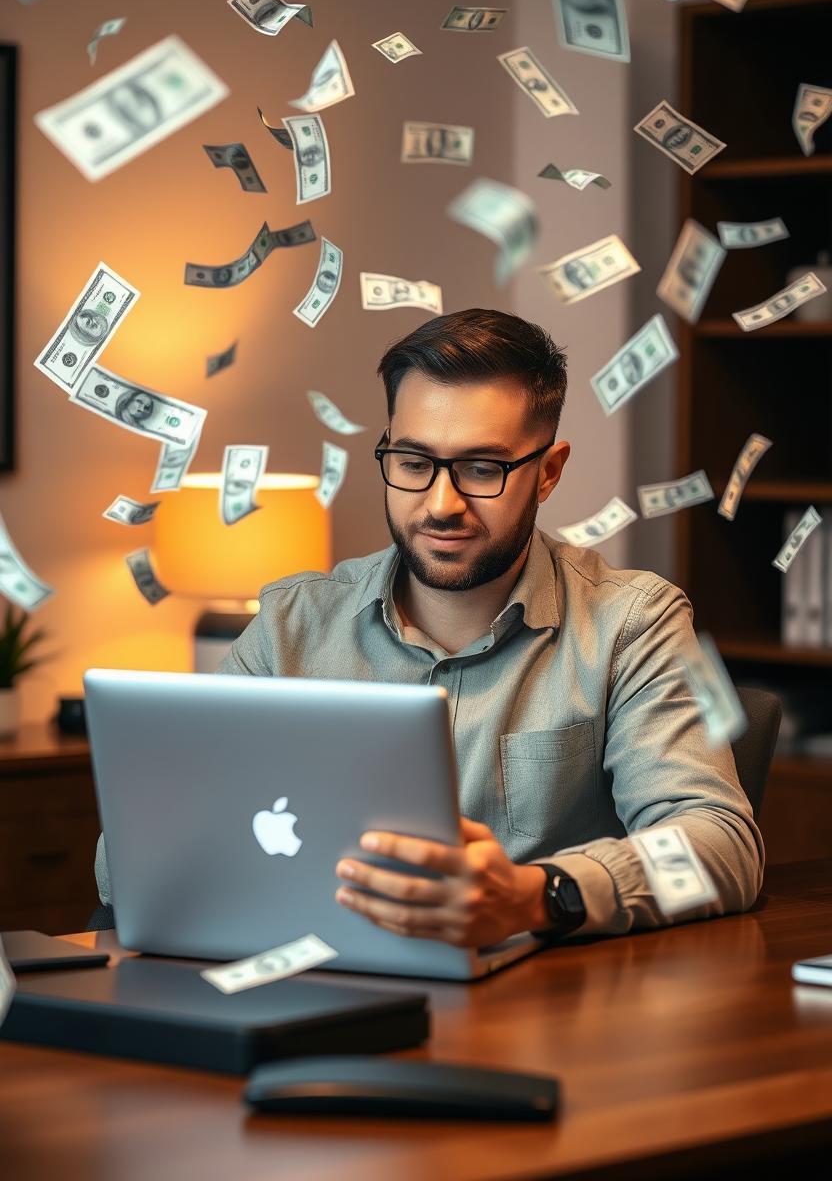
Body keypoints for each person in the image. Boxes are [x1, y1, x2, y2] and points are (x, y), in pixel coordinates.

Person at [93, 308, 763, 946]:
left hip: (544, 1012)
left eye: (482, 469)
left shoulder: (638, 622)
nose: (441, 504)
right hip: (312, 988)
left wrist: (537, 896)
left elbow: (721, 845)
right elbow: (128, 866)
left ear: (548, 472)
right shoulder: (289, 624)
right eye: (414, 464)